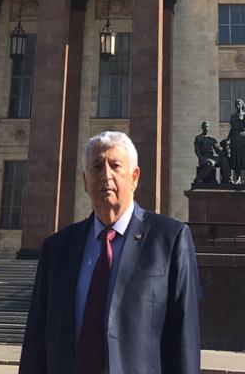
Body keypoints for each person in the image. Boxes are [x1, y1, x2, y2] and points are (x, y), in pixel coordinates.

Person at [19, 129, 200, 374]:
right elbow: (36, 342)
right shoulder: (57, 249)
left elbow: (184, 338)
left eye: (115, 166)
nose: (106, 175)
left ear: (134, 177)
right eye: (96, 167)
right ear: (85, 181)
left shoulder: (169, 240)